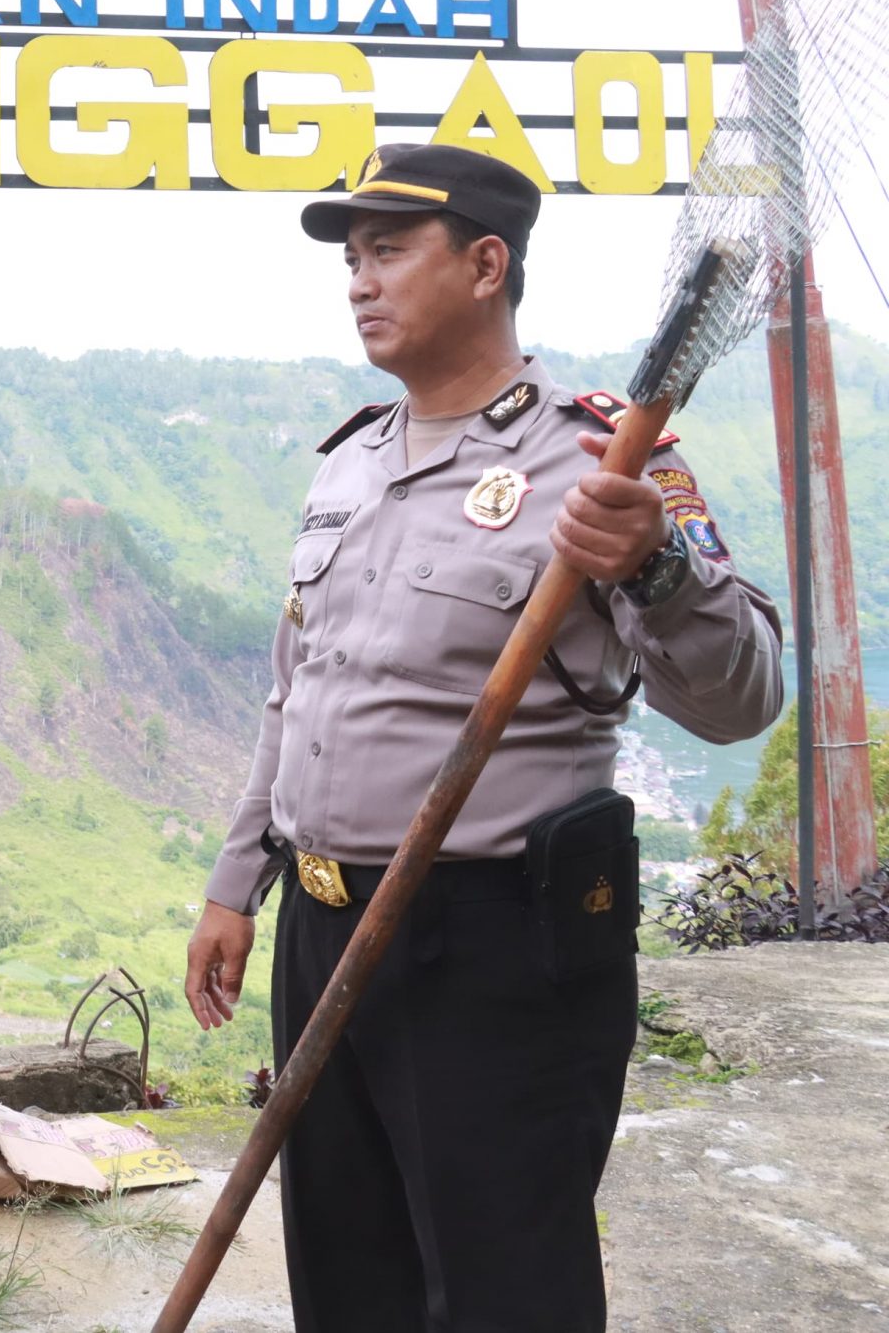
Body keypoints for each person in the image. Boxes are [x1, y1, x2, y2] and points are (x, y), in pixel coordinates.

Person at [182, 143, 784, 1333]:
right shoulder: (350, 464)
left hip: (493, 942)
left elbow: (742, 699)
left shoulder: (604, 459)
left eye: (388, 250)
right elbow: (293, 692)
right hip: (322, 923)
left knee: (505, 1282)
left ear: (485, 263)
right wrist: (235, 885)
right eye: (349, 258)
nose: (358, 279)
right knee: (349, 1278)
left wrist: (654, 565)